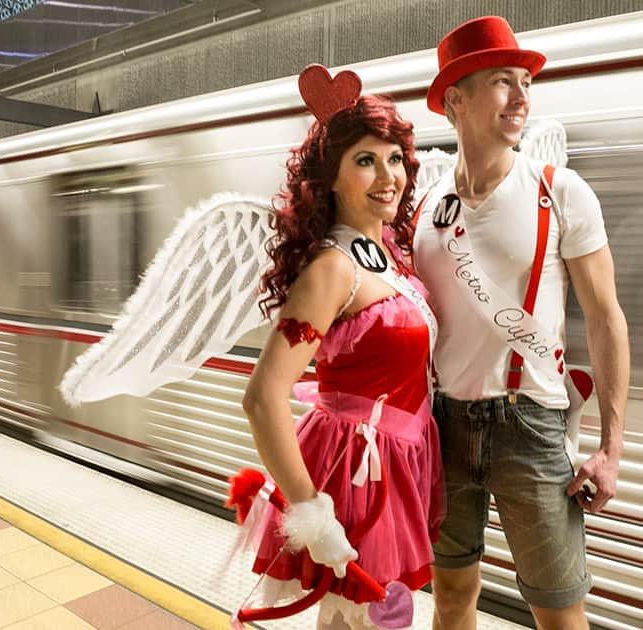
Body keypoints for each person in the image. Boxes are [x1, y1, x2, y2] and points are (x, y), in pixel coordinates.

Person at [412, 17, 630, 630]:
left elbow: (608, 318)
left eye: (525, 82)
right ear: (455, 99)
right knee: (451, 597)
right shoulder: (427, 210)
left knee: (559, 616)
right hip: (442, 427)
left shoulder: (561, 192)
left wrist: (611, 449)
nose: (521, 96)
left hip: (529, 424)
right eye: (503, 82)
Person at [238, 65, 443, 629]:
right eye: (365, 160)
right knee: (369, 620)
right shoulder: (332, 270)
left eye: (395, 158)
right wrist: (311, 512)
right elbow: (262, 397)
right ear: (330, 178)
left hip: (397, 465)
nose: (388, 176)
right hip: (358, 477)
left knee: (364, 620)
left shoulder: (393, 257)